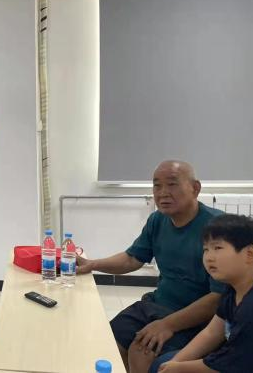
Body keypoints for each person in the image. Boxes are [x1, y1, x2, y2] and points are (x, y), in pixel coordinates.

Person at [76, 160, 225, 373]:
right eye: (157, 185)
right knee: (107, 341)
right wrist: (93, 264)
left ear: (195, 188)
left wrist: (168, 325)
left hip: (197, 319)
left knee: (141, 351)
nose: (163, 193)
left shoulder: (217, 228)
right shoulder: (157, 220)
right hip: (155, 305)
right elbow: (132, 259)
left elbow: (219, 298)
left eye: (172, 184)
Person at [154, 214, 253, 373]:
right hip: (238, 362)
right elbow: (212, 332)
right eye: (206, 250)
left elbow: (229, 365)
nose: (208, 257)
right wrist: (174, 363)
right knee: (163, 363)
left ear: (250, 254)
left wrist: (179, 368)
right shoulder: (235, 286)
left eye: (218, 248)